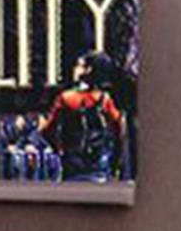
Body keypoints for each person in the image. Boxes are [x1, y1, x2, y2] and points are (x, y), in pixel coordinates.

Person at [40, 52, 127, 182]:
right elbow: (120, 131)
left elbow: (47, 130)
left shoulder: (66, 98)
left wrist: (59, 150)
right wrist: (116, 162)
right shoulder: (104, 99)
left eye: (79, 65)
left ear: (88, 70)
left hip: (72, 162)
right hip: (99, 162)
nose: (75, 68)